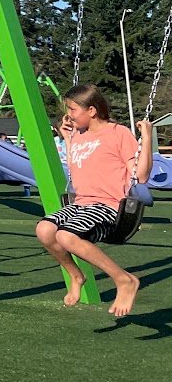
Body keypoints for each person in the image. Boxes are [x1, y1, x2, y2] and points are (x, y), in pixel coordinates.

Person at [35, 84, 155, 317]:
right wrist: (68, 140)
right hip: (81, 203)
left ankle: (124, 280)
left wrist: (147, 138)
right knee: (44, 230)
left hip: (109, 206)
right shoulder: (79, 134)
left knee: (66, 236)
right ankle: (76, 275)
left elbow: (140, 176)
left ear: (91, 110)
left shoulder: (118, 133)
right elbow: (76, 168)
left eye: (73, 109)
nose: (69, 115)